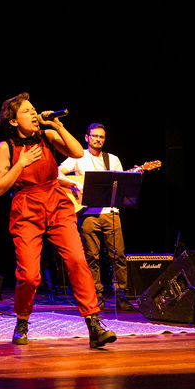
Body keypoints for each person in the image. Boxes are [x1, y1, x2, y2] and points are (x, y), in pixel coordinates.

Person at [0, 92, 116, 348]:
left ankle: (93, 324)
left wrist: (57, 125)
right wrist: (21, 163)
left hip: (56, 203)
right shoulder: (6, 147)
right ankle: (22, 320)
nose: (33, 113)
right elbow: (0, 187)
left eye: (33, 109)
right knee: (29, 275)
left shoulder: (47, 136)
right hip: (27, 208)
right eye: (27, 111)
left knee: (77, 260)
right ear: (14, 121)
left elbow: (77, 152)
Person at [58, 123, 129, 307]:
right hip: (88, 213)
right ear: (87, 137)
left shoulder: (112, 159)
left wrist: (134, 175)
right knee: (92, 257)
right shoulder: (78, 157)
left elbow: (122, 184)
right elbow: (57, 173)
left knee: (118, 256)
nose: (98, 139)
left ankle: (121, 296)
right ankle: (96, 296)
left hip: (110, 212)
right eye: (94, 136)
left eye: (101, 137)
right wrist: (74, 184)